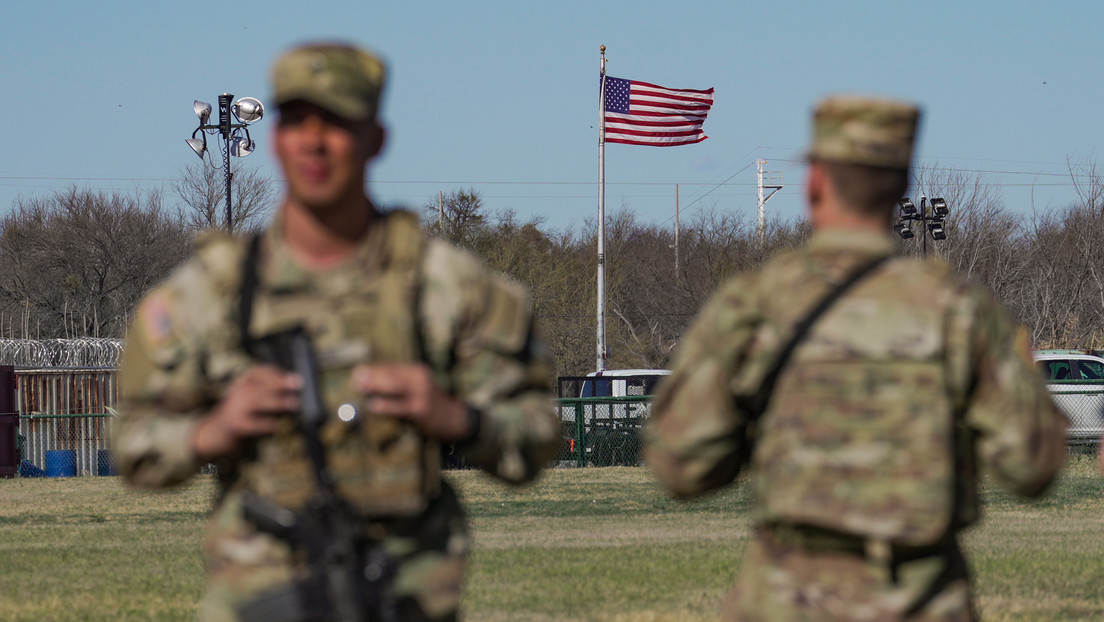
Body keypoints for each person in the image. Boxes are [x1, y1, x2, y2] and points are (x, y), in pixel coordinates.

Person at [112, 42, 560, 622]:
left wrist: (457, 417)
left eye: (338, 122)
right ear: (274, 140)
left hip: (405, 598)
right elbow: (134, 447)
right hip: (260, 602)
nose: (315, 142)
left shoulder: (449, 288)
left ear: (376, 139)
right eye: (297, 121)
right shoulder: (208, 297)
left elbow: (538, 435)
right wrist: (211, 432)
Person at [644, 95, 1067, 621]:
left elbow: (680, 464)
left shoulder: (755, 305)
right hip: (923, 598)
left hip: (784, 597)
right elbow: (1033, 466)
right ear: (901, 188)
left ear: (814, 182)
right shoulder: (959, 310)